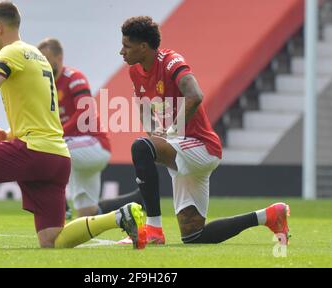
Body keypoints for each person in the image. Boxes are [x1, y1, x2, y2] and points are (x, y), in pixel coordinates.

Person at [0, 0, 146, 249]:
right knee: (52, 240)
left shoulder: (10, 52)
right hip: (56, 157)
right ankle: (118, 217)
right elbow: (40, 112)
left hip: (34, 152)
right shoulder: (38, 57)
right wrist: (7, 134)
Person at [118, 16, 290, 245]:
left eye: (126, 46)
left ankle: (153, 230)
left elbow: (195, 95)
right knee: (194, 236)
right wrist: (155, 133)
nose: (122, 52)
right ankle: (269, 216)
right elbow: (144, 110)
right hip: (181, 148)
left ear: (143, 47)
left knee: (141, 147)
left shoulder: (170, 61)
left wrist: (170, 132)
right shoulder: (135, 72)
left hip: (200, 146)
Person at [37, 38, 144, 218]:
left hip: (93, 144)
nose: (44, 64)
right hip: (77, 152)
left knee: (46, 149)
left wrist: (57, 134)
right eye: (40, 61)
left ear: (59, 57)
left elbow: (85, 112)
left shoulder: (73, 78)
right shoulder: (45, 86)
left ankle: (60, 204)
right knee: (86, 214)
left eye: (46, 59)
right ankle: (138, 199)